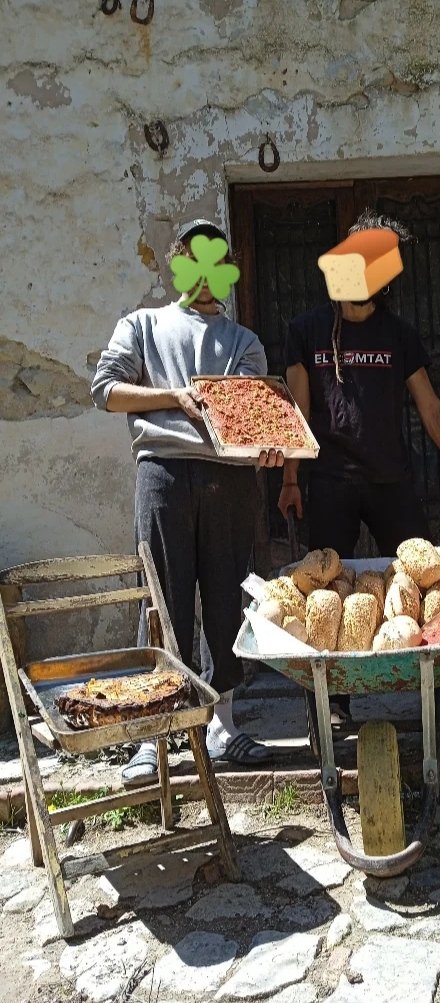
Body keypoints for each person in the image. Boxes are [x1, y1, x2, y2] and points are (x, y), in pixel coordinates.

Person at [91, 217, 282, 781]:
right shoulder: (142, 325)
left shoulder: (245, 343)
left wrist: (267, 449)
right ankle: (159, 734)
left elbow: (250, 416)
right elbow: (106, 390)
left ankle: (223, 723)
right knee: (163, 602)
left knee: (226, 600)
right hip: (163, 473)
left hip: (229, 480)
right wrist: (172, 396)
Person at [279, 211, 440, 723]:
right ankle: (333, 704)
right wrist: (291, 478)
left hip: (391, 481)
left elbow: (429, 405)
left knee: (427, 586)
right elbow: (296, 411)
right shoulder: (306, 331)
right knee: (326, 600)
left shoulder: (400, 335)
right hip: (330, 481)